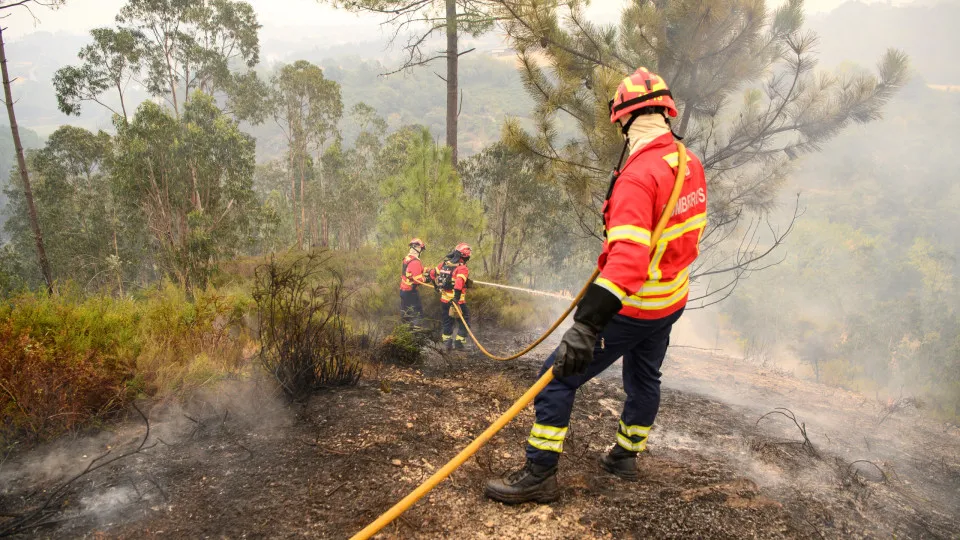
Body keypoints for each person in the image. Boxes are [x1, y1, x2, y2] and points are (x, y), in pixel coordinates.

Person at [484, 67, 708, 504]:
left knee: (555, 380)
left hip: (634, 306)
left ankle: (540, 474)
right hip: (671, 299)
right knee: (645, 378)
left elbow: (627, 264)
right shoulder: (688, 162)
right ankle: (625, 455)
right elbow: (675, 234)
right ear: (666, 112)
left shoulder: (638, 177)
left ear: (622, 120)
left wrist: (586, 326)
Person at [431, 243, 472, 350]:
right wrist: (456, 299)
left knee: (447, 321)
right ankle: (459, 343)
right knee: (465, 322)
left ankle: (447, 344)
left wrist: (436, 286)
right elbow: (458, 283)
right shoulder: (462, 268)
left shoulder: (444, 264)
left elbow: (432, 274)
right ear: (465, 256)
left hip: (444, 300)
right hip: (458, 302)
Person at [399, 238, 429, 329]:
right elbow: (417, 279)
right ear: (417, 249)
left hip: (403, 290)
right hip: (410, 292)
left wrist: (429, 270)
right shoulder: (415, 261)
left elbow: (417, 270)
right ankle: (417, 333)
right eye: (421, 249)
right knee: (417, 312)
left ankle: (405, 331)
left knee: (406, 312)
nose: (421, 252)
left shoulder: (408, 258)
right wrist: (427, 279)